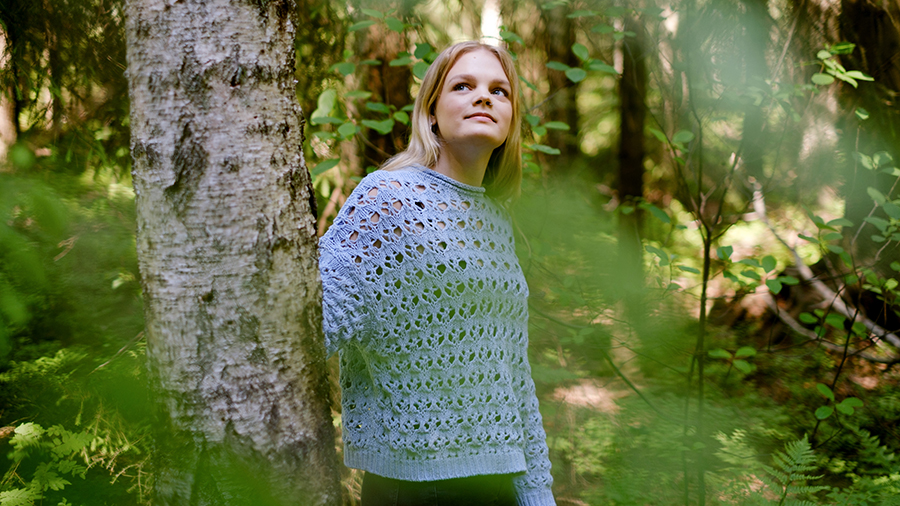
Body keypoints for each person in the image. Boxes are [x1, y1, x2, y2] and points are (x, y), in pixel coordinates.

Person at [319, 41, 556, 506]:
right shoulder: (387, 198)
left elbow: (512, 376)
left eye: (500, 91)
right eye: (463, 86)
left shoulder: (496, 219)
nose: (484, 96)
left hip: (498, 483)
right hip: (413, 486)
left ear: (511, 121)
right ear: (431, 112)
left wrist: (536, 492)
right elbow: (311, 327)